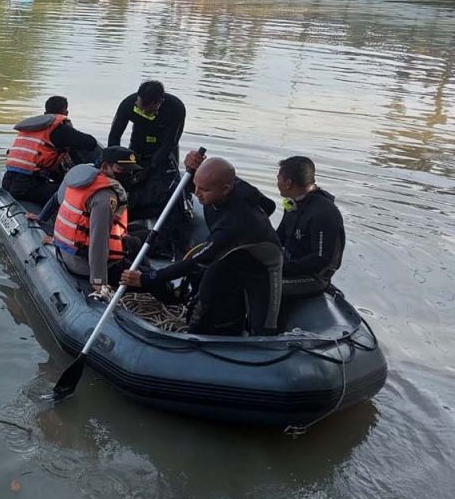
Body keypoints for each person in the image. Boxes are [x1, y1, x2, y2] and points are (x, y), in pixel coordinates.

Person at [121, 154, 283, 336]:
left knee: (264, 327)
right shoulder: (229, 188)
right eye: (195, 185)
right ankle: (197, 334)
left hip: (260, 266)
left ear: (226, 189)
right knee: (204, 301)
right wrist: (190, 165)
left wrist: (147, 278)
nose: (196, 193)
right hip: (228, 256)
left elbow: (196, 261)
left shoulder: (234, 224)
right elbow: (268, 206)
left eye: (204, 189)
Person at [41, 146, 142, 295]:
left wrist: (43, 222)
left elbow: (63, 205)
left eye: (130, 171)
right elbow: (98, 241)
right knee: (141, 256)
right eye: (121, 169)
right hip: (84, 265)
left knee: (138, 234)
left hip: (67, 252)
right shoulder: (105, 197)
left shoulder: (82, 181)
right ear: (105, 166)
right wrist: (98, 280)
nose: (127, 175)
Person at [107, 80, 187, 219]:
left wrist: (149, 168)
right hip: (138, 144)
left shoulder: (176, 108)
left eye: (147, 109)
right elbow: (114, 136)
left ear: (159, 102)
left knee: (163, 186)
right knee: (129, 180)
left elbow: (169, 143)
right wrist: (115, 162)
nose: (143, 111)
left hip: (164, 148)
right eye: (140, 107)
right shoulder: (128, 104)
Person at [3, 95, 100, 206]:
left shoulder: (30, 127)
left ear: (45, 113)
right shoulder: (59, 129)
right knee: (74, 192)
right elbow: (90, 143)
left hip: (7, 181)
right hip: (27, 187)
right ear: (66, 113)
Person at [276, 156, 345, 297]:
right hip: (289, 262)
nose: (276, 182)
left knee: (262, 286)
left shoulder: (324, 213)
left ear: (288, 183)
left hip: (314, 278)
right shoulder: (292, 203)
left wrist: (279, 268)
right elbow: (279, 237)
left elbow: (320, 260)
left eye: (278, 178)